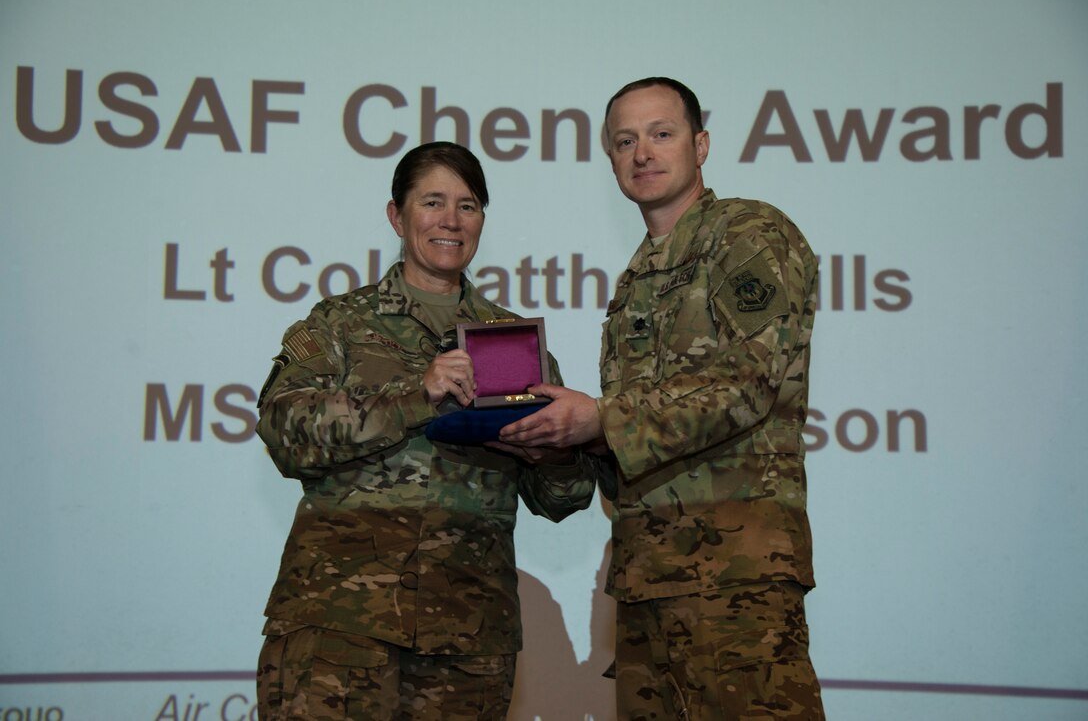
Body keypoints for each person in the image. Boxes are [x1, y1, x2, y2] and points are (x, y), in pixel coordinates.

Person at [499, 77, 825, 719]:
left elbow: (745, 383)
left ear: (700, 144)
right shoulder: (638, 277)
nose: (642, 152)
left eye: (661, 133)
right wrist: (555, 440)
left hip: (735, 574)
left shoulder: (748, 233)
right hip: (649, 573)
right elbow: (636, 439)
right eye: (625, 141)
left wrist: (599, 418)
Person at [253, 141, 597, 720]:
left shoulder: (513, 343)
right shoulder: (339, 324)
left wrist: (547, 451)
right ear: (397, 215)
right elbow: (284, 431)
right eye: (432, 202)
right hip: (340, 627)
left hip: (468, 640)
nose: (450, 221)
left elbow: (567, 498)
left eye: (468, 206)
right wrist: (417, 397)